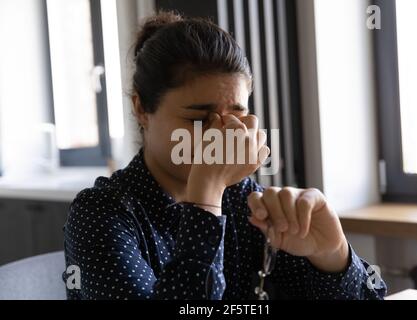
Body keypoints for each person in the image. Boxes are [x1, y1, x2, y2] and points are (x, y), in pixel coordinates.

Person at [63, 11, 386, 300]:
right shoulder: (101, 214)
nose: (222, 136)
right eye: (198, 119)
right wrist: (205, 197)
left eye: (237, 114)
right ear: (142, 109)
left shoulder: (246, 202)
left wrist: (333, 255)